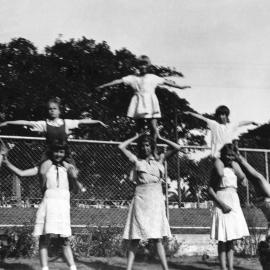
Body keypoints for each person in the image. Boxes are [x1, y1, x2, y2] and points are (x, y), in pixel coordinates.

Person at [0, 97, 107, 192]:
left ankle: (74, 185)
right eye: (50, 109)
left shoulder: (66, 123)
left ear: (59, 111)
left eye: (54, 108)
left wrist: (98, 121)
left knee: (73, 173)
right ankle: (44, 191)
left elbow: (82, 122)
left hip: (64, 154)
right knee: (42, 172)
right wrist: (8, 122)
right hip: (50, 154)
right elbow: (26, 122)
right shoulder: (44, 124)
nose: (52, 111)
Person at [3, 141, 79, 270]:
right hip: (49, 204)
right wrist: (7, 162)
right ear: (51, 152)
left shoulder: (69, 168)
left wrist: (74, 177)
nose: (58, 154)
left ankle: (73, 267)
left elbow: (76, 189)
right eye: (56, 151)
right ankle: (44, 268)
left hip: (63, 206)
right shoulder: (44, 166)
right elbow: (22, 173)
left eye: (61, 152)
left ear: (65, 153)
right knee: (44, 238)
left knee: (64, 239)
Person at [118, 131, 181, 270]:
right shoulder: (137, 160)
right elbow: (121, 147)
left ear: (152, 147)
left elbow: (177, 147)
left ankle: (165, 268)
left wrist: (160, 137)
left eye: (147, 145)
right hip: (141, 200)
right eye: (142, 145)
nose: (144, 148)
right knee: (135, 237)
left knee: (157, 237)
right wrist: (136, 137)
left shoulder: (160, 159)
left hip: (156, 200)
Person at [97, 55, 190, 141]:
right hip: (139, 103)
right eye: (141, 65)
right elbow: (118, 81)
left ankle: (154, 149)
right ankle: (141, 149)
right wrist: (103, 86)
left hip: (151, 103)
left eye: (145, 65)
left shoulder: (152, 77)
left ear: (148, 66)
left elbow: (167, 82)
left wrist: (180, 87)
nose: (143, 67)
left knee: (153, 127)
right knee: (139, 129)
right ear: (138, 66)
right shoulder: (132, 78)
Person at [184, 105, 258, 177]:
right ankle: (213, 185)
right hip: (217, 155)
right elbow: (202, 118)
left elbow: (241, 123)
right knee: (220, 174)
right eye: (219, 115)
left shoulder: (231, 125)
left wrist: (251, 122)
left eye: (223, 115)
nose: (220, 117)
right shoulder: (214, 124)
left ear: (226, 116)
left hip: (229, 156)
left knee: (241, 176)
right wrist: (190, 113)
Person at [209, 143, 249, 270]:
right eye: (227, 155)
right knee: (222, 238)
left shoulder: (234, 166)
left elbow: (244, 181)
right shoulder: (218, 166)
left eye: (232, 155)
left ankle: (230, 267)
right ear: (222, 154)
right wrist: (222, 204)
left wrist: (236, 163)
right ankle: (223, 268)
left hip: (233, 199)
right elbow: (210, 190)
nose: (230, 158)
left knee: (231, 237)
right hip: (222, 199)